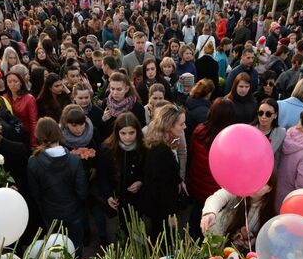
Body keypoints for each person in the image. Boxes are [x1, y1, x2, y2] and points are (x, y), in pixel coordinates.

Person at [26, 118, 87, 256]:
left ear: (38, 136)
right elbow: (82, 191)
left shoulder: (33, 162)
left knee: (55, 252)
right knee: (76, 250)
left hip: (50, 215)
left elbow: (35, 193)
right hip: (74, 212)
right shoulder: (74, 160)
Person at [186, 99, 236, 232]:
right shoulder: (230, 139)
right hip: (215, 190)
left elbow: (191, 155)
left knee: (196, 214)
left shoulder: (199, 131)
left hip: (196, 185)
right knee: (211, 221)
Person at [200, 171, 278, 252]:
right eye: (255, 179)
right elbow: (219, 197)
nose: (256, 185)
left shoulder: (269, 214)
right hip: (215, 245)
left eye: (263, 183)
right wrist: (210, 213)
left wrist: (251, 241)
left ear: (270, 189)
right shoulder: (238, 190)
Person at [96, 112, 146, 234]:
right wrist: (108, 196)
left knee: (136, 226)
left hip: (136, 198)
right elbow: (103, 175)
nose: (128, 137)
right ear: (117, 132)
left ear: (137, 132)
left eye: (131, 133)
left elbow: (147, 169)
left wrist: (140, 182)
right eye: (123, 133)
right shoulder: (107, 148)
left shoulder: (143, 146)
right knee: (120, 228)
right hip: (117, 196)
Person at [142, 104, 186, 237]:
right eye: (181, 124)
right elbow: (160, 190)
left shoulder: (159, 145)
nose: (185, 127)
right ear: (169, 126)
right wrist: (171, 216)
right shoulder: (162, 153)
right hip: (162, 213)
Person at [101, 72, 147, 139]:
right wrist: (104, 120)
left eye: (119, 89)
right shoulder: (106, 103)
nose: (115, 93)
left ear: (126, 89)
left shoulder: (137, 107)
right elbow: (102, 131)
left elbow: (141, 130)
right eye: (112, 89)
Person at [4, 70, 38, 146]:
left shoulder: (29, 98)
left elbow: (33, 122)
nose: (13, 84)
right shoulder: (4, 97)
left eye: (15, 81)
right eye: (9, 82)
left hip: (25, 135)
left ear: (21, 82)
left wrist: (33, 142)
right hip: (10, 136)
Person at [253, 98, 286, 169]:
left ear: (275, 115)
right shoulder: (249, 131)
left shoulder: (281, 133)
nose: (263, 117)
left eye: (268, 114)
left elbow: (278, 157)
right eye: (260, 113)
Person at [185, 78, 215, 142]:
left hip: (189, 139)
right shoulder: (204, 111)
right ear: (208, 93)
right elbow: (205, 132)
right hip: (196, 142)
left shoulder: (190, 102)